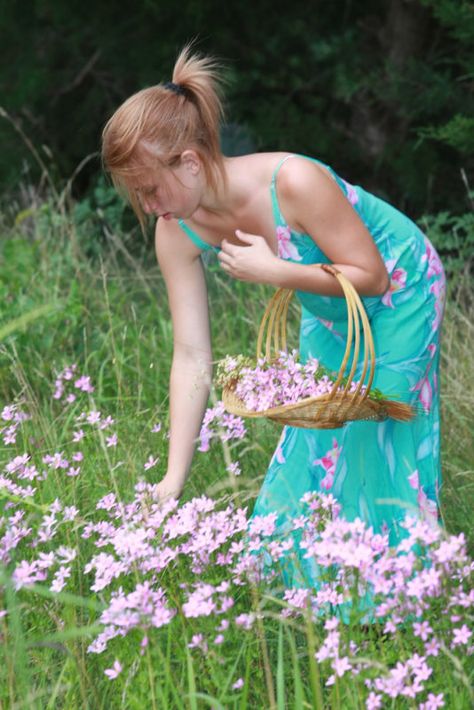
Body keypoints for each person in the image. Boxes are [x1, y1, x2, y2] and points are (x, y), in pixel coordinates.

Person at [101, 46, 445, 587]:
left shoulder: (294, 182)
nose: (147, 206)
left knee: (371, 431)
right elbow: (191, 355)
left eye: (150, 189)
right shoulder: (176, 230)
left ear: (190, 161)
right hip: (330, 309)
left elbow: (371, 276)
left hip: (402, 288)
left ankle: (404, 595)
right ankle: (318, 597)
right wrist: (173, 479)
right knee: (314, 430)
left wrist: (275, 272)